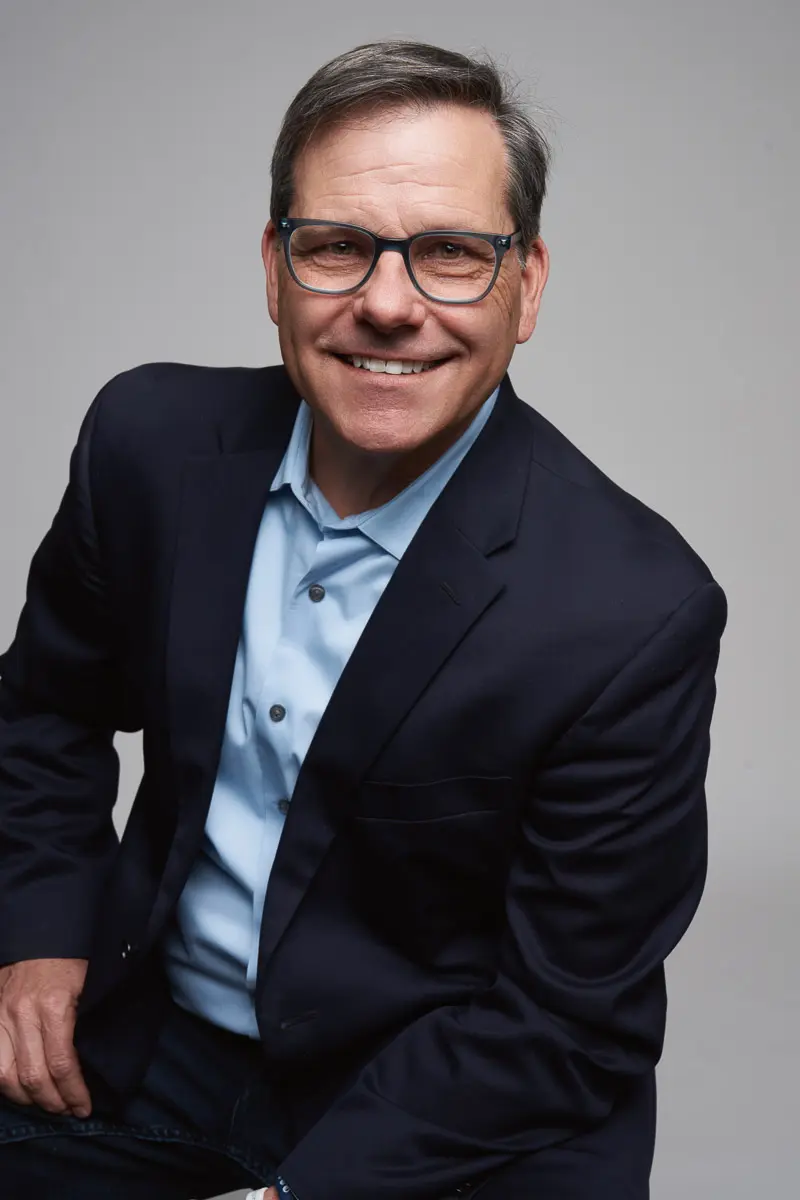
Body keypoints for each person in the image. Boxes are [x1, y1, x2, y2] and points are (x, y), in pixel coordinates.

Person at [0, 38, 726, 1200]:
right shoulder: (147, 446)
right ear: (274, 268)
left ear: (527, 285)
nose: (387, 305)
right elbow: (41, 712)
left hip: (450, 1120)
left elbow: (562, 1022)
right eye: (336, 247)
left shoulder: (633, 609)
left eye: (450, 254)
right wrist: (38, 933)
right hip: (148, 1050)